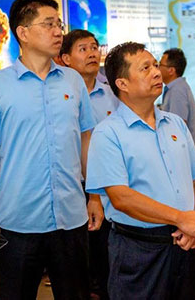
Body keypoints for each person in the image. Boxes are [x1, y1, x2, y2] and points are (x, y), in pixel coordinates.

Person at [0, 0, 102, 300]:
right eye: (48, 24)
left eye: (59, 24)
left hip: (71, 218)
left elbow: (86, 141)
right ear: (23, 33)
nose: (58, 32)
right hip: (16, 222)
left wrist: (94, 195)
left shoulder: (72, 81)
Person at [86, 42, 195, 300]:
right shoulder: (108, 133)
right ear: (122, 84)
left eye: (155, 65)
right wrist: (181, 219)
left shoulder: (175, 124)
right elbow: (121, 197)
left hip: (188, 243)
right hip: (140, 250)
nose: (156, 72)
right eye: (145, 68)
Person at [61, 29, 119, 300]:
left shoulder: (112, 94)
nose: (92, 53)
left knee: (105, 250)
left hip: (108, 183)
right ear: (66, 59)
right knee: (76, 256)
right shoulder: (62, 96)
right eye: (83, 49)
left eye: (94, 47)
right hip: (75, 184)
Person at [159, 48, 195, 142]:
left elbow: (177, 127)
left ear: (171, 70)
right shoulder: (175, 88)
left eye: (160, 65)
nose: (157, 68)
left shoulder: (177, 91)